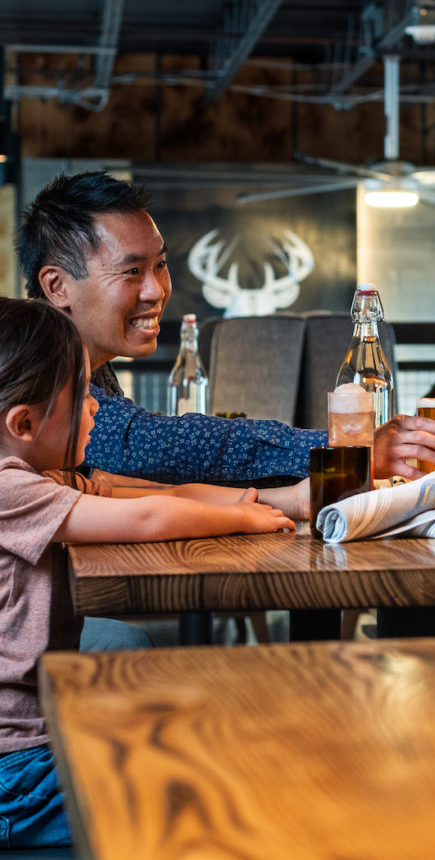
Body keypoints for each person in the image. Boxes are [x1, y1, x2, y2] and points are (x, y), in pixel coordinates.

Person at [0, 298, 298, 849]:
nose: (96, 408)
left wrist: (257, 500)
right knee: (204, 786)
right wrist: (238, 519)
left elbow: (149, 492)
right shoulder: (10, 489)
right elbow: (148, 516)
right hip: (17, 775)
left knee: (192, 728)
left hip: (35, 743)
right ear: (23, 423)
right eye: (83, 395)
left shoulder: (37, 477)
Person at [16, 171, 435, 493]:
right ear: (57, 286)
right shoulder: (31, 374)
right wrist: (345, 451)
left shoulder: (79, 362)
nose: (156, 290)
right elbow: (156, 446)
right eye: (131, 271)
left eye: (161, 265)